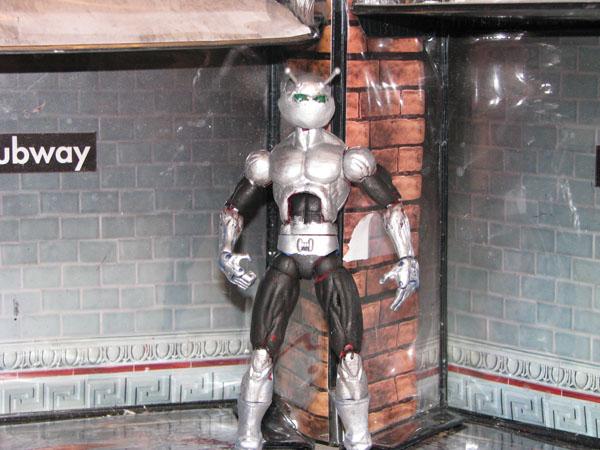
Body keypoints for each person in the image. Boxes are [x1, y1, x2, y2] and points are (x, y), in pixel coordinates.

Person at [218, 67, 419, 450]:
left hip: (327, 255)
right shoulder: (271, 159)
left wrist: (407, 257)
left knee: (350, 356)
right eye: (300, 96)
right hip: (287, 254)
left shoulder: (348, 157)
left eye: (317, 96)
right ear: (286, 98)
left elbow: (391, 203)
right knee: (261, 354)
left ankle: (358, 439)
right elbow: (233, 209)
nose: (308, 102)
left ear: (330, 99)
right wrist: (226, 251)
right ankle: (248, 437)